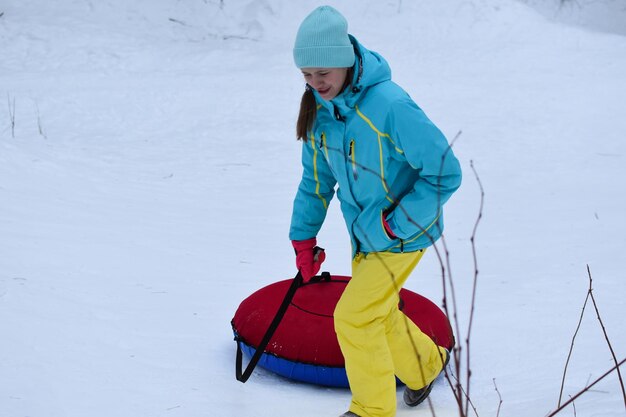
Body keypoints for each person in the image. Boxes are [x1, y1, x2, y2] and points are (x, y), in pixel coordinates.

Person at [288, 6, 462, 417]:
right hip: (366, 234)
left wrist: (392, 223)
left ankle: (371, 410)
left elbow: (445, 172)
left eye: (322, 73)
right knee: (377, 313)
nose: (315, 83)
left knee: (354, 317)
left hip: (404, 232)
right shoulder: (320, 111)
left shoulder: (389, 105)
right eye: (307, 76)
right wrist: (303, 238)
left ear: (344, 62)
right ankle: (427, 365)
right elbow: (315, 184)